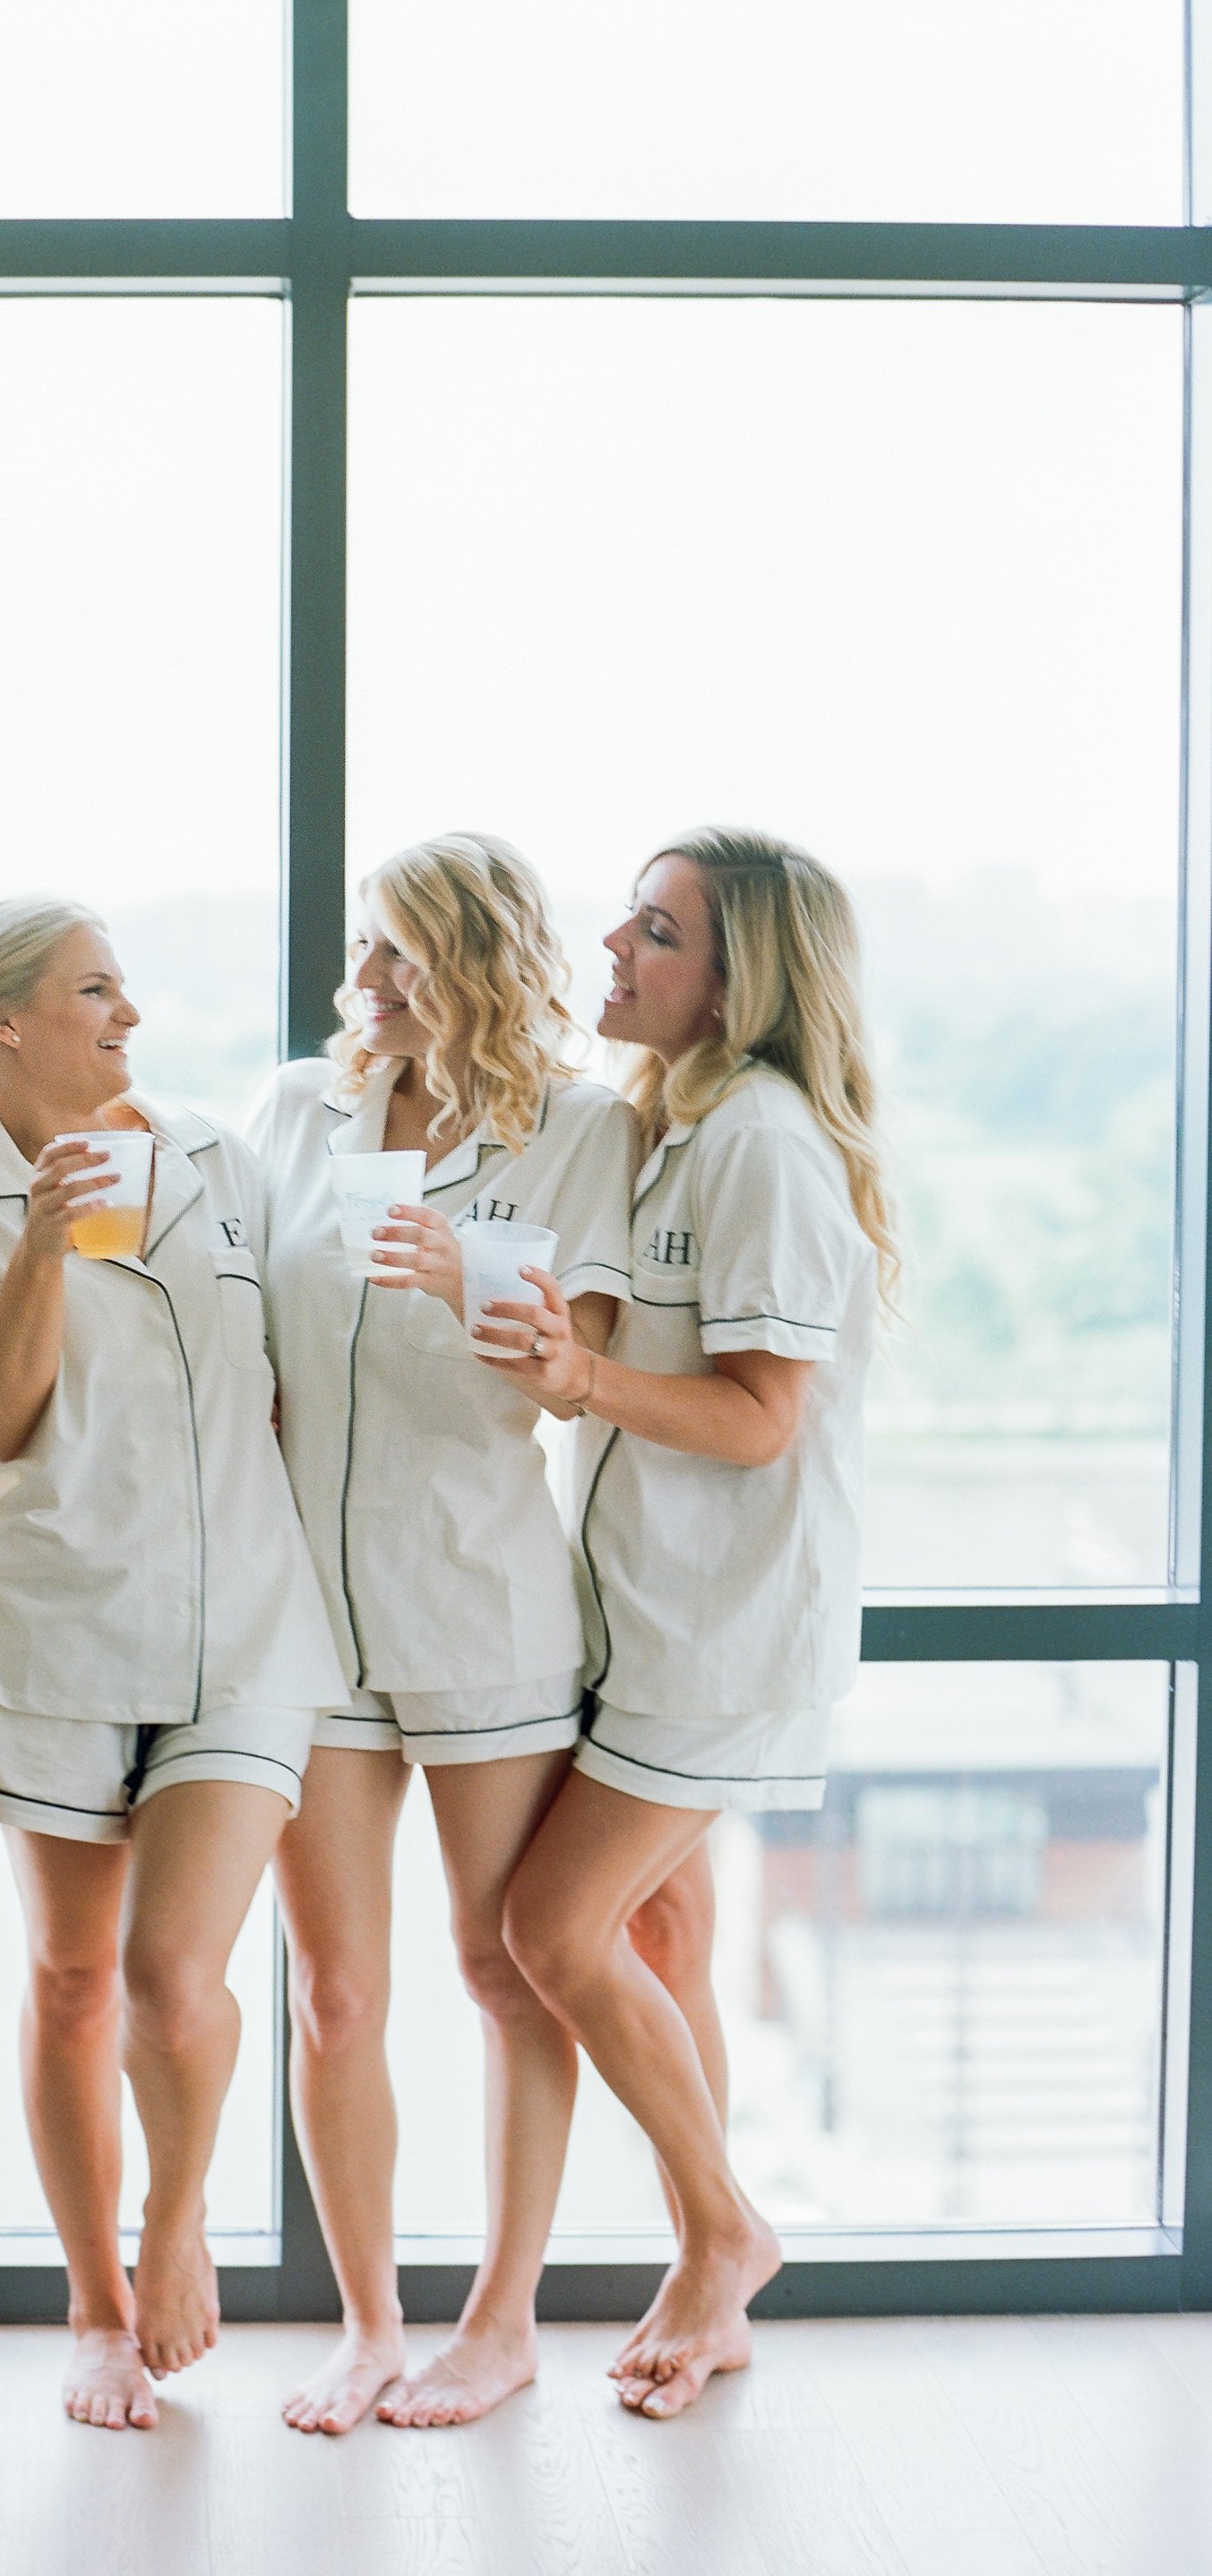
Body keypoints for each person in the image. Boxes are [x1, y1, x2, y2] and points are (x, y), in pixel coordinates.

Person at [0, 901, 346, 2432]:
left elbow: (292, 1375)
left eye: (127, 988)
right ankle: (92, 2314)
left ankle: (177, 2220)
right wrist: (34, 1238)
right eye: (95, 990)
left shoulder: (215, 1157)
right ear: (2, 1023)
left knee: (172, 1972)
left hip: (248, 1631)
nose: (129, 1016)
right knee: (75, 1979)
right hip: (64, 1630)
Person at [494, 826, 891, 2419]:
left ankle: (729, 2230)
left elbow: (761, 1419)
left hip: (725, 1636)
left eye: (657, 932)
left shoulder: (765, 1146)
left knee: (551, 1931)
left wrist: (578, 1382)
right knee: (664, 1936)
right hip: (654, 1616)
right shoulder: (675, 1127)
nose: (616, 945)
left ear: (744, 983)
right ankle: (704, 2275)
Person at [249, 831, 636, 2434]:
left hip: (481, 1592)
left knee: (503, 1974)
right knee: (335, 1991)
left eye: (402, 952)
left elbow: (576, 1366)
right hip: (308, 1620)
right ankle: (364, 2325)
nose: (369, 980)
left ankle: (503, 2320)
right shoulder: (297, 1110)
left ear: (477, 961)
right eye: (365, 947)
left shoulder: (583, 1131)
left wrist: (461, 1273)